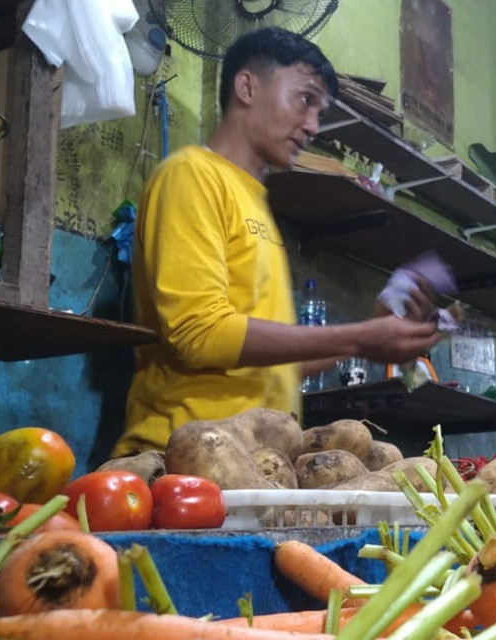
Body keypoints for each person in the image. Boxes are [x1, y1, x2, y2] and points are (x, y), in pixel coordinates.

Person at [113, 28, 442, 456]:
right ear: (247, 87)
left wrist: (368, 337)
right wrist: (359, 337)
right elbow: (199, 334)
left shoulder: (255, 202)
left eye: (320, 112)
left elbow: (279, 366)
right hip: (184, 459)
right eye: (305, 99)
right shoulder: (191, 175)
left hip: (255, 463)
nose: (313, 125)